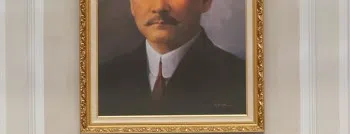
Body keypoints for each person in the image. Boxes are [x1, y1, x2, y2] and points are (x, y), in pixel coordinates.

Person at [98, 0, 246, 116]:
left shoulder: (242, 79)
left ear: (205, 2)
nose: (160, 7)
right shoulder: (101, 79)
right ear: (131, 4)